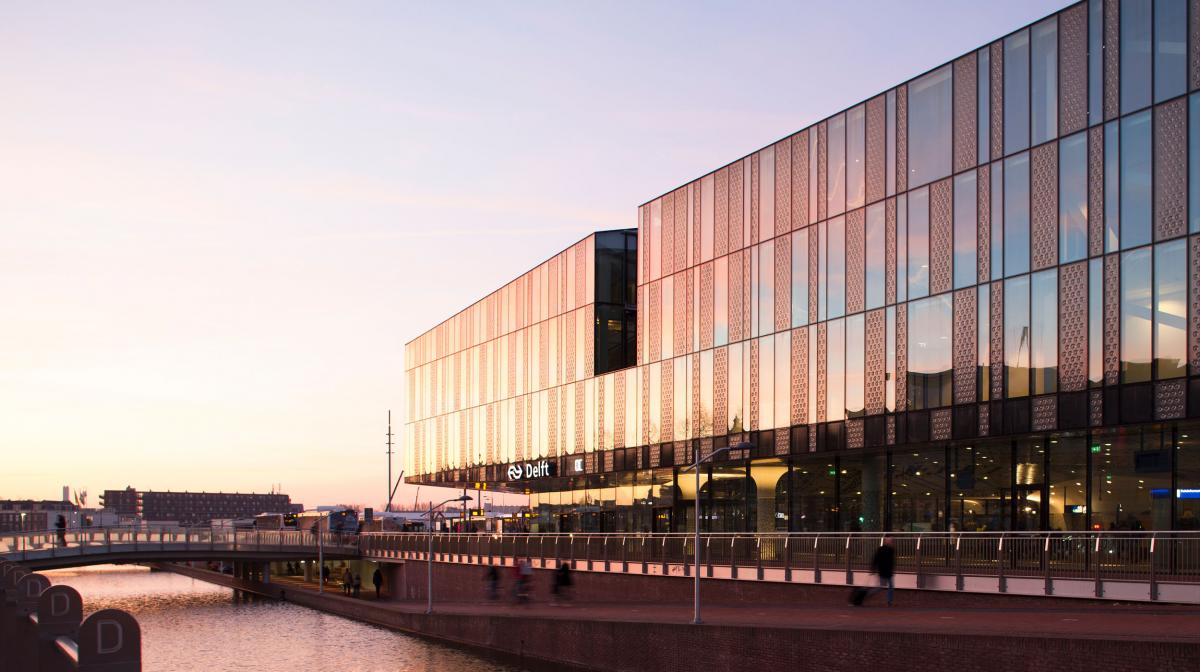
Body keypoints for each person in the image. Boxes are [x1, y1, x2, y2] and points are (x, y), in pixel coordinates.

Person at [866, 537, 896, 607]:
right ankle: (868, 594)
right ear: (886, 542)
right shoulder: (885, 550)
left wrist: (873, 569)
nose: (891, 543)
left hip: (886, 571)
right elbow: (876, 559)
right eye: (890, 541)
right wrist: (873, 568)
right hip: (884, 571)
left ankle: (889, 601)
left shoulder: (889, 550)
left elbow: (876, 559)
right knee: (883, 587)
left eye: (891, 541)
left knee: (887, 586)